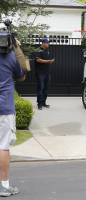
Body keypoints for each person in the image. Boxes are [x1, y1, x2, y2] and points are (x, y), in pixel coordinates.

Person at [0, 49, 25, 197]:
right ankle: (3, 185)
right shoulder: (11, 56)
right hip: (4, 108)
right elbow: (21, 76)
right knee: (3, 146)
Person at [34, 38, 55, 110]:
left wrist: (51, 60)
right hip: (40, 73)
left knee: (46, 89)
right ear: (43, 43)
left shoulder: (48, 51)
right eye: (47, 43)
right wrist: (48, 61)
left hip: (47, 73)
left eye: (48, 43)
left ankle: (43, 103)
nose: (48, 44)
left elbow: (52, 58)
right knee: (40, 88)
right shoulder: (38, 50)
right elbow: (38, 60)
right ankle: (39, 104)